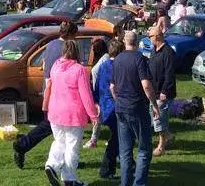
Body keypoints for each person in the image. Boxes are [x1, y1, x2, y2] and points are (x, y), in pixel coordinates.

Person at [12, 21, 77, 169]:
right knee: (52, 125)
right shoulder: (67, 49)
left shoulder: (51, 44)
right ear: (71, 35)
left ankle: (68, 161)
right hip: (58, 91)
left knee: (59, 127)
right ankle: (22, 145)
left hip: (48, 89)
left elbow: (44, 62)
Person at [43, 39, 98, 186]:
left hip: (55, 112)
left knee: (59, 142)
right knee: (72, 147)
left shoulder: (55, 66)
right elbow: (86, 95)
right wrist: (93, 115)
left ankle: (52, 164)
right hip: (73, 114)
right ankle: (69, 178)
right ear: (77, 52)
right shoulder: (79, 70)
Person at [110, 30, 160, 186]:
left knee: (125, 151)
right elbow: (146, 85)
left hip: (121, 107)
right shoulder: (140, 59)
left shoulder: (117, 59)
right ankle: (139, 183)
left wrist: (119, 100)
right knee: (144, 148)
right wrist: (154, 104)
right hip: (137, 107)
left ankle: (125, 183)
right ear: (137, 42)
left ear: (125, 41)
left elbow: (112, 87)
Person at [94, 39, 123, 180]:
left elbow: (96, 86)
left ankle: (128, 163)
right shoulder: (116, 66)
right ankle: (106, 170)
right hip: (115, 107)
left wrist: (96, 102)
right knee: (117, 139)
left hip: (105, 106)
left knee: (118, 137)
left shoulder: (103, 65)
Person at [146, 24, 175, 157]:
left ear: (157, 36)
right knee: (156, 119)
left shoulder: (168, 52)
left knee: (159, 120)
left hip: (163, 92)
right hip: (154, 90)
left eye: (150, 36)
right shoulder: (154, 50)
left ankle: (161, 146)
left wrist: (164, 91)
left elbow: (169, 74)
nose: (149, 38)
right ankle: (167, 135)